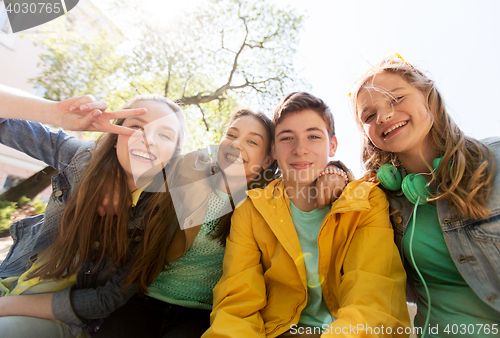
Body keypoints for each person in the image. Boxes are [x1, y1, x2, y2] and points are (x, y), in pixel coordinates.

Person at [91, 107, 350, 338]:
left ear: (267, 160)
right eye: (232, 135)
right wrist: (111, 175)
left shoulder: (264, 204)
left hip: (204, 314)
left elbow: (307, 174)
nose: (237, 145)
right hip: (146, 299)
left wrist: (335, 168)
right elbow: (143, 160)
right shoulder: (187, 173)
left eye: (252, 141)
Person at [203, 92, 409, 338]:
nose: (300, 149)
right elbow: (237, 303)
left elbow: (372, 294)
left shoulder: (365, 200)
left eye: (313, 136)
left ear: (332, 145)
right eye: (287, 138)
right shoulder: (251, 211)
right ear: (274, 151)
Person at [0, 87, 187, 337]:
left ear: (174, 154)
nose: (148, 139)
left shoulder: (164, 212)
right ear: (114, 135)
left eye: (164, 134)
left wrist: (6, 306)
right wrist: (55, 112)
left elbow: (107, 298)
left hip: (60, 319)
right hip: (11, 280)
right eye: (136, 126)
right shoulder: (81, 159)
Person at [348, 54, 500, 337]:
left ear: (428, 96)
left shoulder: (496, 158)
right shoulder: (380, 199)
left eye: (395, 99)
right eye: (369, 115)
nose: (383, 116)